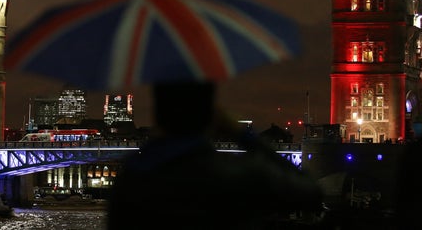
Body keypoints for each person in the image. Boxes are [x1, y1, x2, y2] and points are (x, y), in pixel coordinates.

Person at [107, 81, 324, 229]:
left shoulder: (132, 179)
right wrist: (244, 136)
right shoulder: (235, 173)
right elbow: (309, 193)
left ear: (157, 115)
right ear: (212, 116)